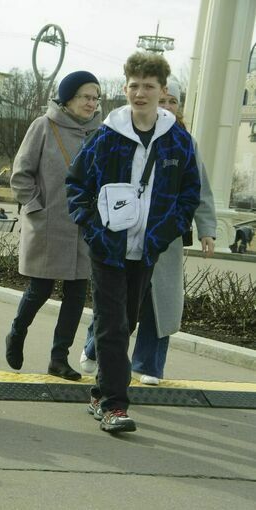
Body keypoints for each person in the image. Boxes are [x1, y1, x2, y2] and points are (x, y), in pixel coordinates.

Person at [66, 53, 200, 433]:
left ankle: (99, 392)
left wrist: (164, 230)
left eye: (149, 86)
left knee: (127, 322)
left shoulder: (177, 139)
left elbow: (190, 192)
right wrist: (93, 227)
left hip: (147, 249)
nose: (140, 93)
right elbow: (76, 185)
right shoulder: (107, 135)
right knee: (111, 324)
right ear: (125, 88)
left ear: (162, 90)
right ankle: (115, 405)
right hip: (108, 248)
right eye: (134, 86)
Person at [79, 79, 217, 386]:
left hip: (163, 240)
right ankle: (94, 348)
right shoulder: (119, 132)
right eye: (163, 100)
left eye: (172, 102)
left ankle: (149, 365)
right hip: (123, 235)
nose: (166, 107)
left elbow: (199, 191)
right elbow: (85, 179)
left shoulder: (184, 142)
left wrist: (206, 228)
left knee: (160, 305)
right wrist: (92, 223)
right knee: (119, 302)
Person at [5, 71, 103, 381]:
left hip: (86, 227)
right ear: (69, 97)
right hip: (49, 224)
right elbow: (20, 175)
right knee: (40, 288)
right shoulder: (43, 127)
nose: (92, 103)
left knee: (77, 294)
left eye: (96, 97)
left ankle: (58, 358)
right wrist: (37, 207)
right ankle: (17, 332)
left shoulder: (102, 133)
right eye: (86, 96)